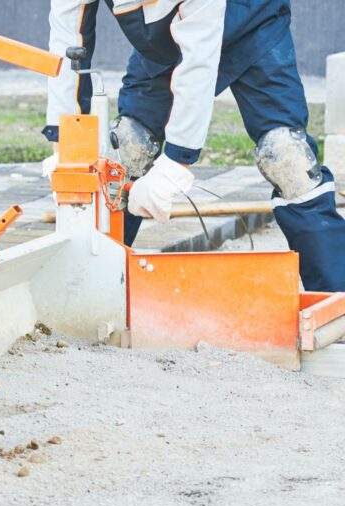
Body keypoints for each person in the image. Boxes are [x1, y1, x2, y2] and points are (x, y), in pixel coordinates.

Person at [44, 0, 345, 292]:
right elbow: (68, 42)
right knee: (127, 149)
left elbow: (198, 63)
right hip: (165, 43)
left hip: (253, 24)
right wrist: (64, 145)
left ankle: (337, 296)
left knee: (287, 158)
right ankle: (91, 287)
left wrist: (174, 165)